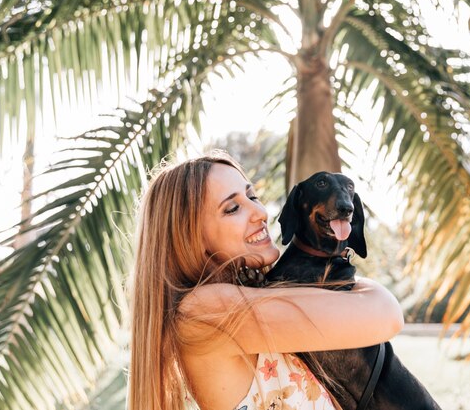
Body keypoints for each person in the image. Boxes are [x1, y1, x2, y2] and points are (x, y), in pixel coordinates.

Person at [127, 150, 404, 410]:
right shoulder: (204, 311)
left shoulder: (243, 299)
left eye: (252, 196)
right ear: (190, 239)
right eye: (233, 208)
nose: (261, 213)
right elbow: (386, 314)